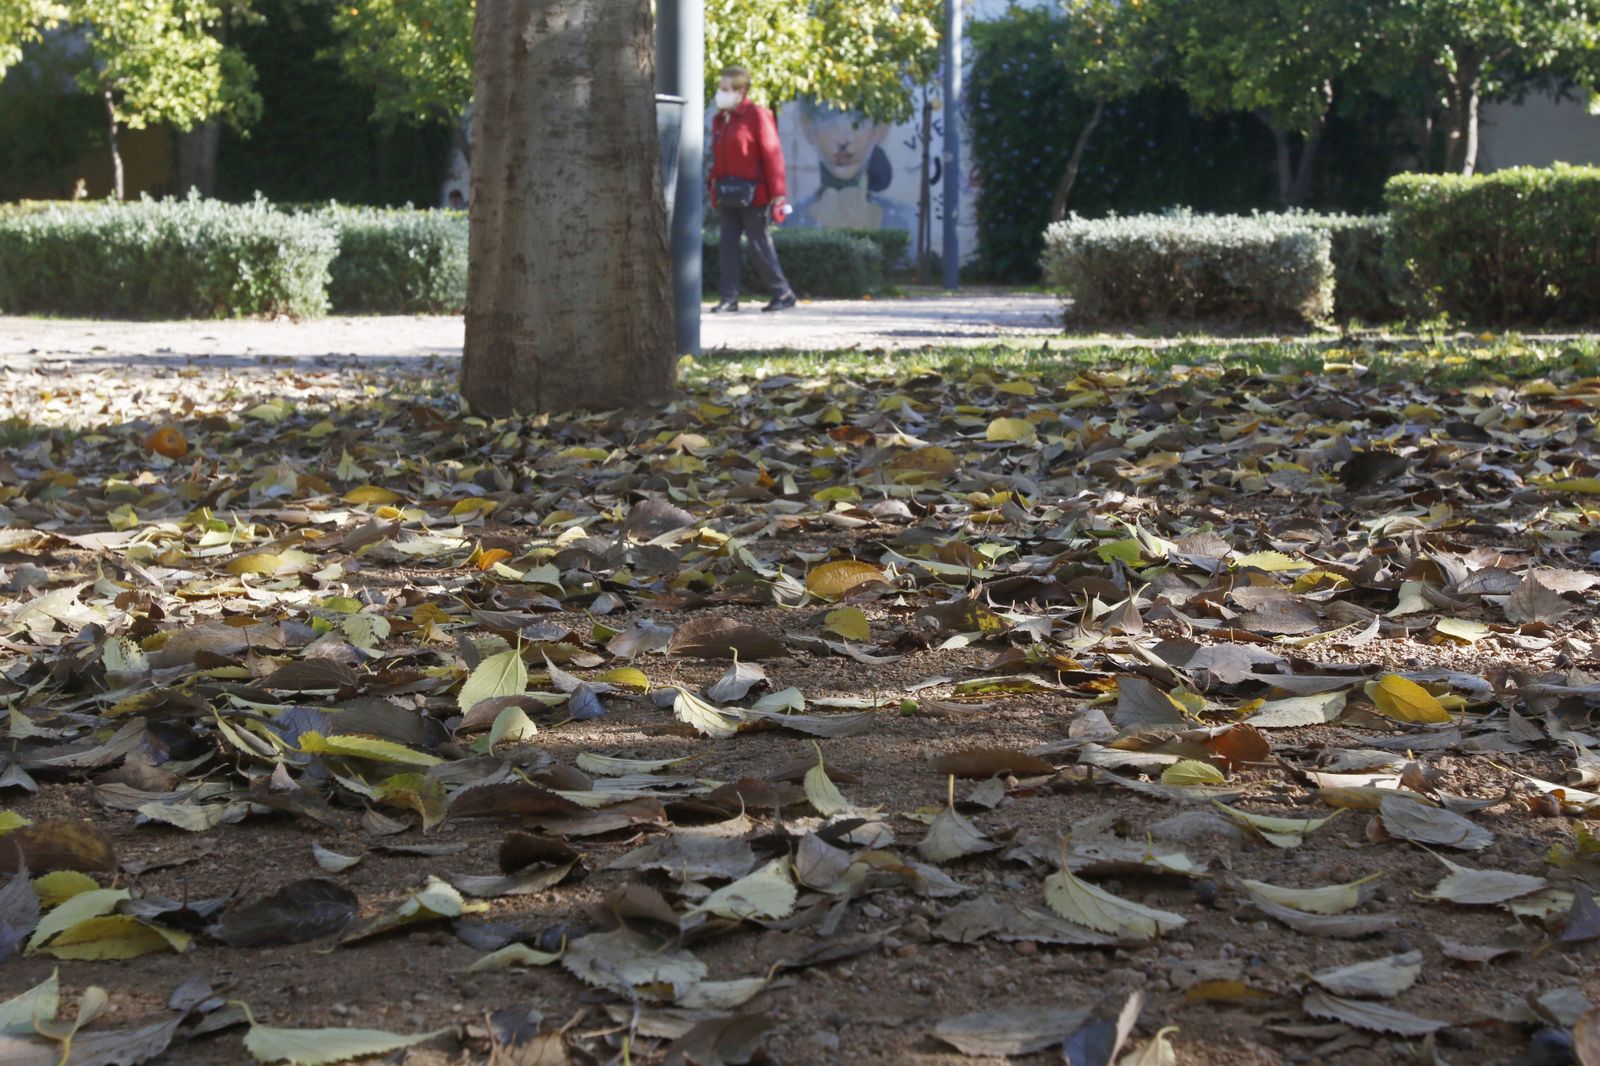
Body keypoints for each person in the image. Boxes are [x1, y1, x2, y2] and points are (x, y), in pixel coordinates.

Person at [708, 65, 797, 313]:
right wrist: (712, 184)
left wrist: (778, 194)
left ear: (741, 91)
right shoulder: (721, 119)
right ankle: (729, 298)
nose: (721, 93)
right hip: (727, 192)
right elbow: (717, 156)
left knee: (759, 246)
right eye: (720, 88)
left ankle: (783, 293)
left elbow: (772, 154)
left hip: (754, 194)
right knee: (727, 247)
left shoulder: (757, 115)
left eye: (726, 89)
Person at [791, 100, 917, 234]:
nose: (843, 139)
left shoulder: (908, 223)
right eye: (827, 118)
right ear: (807, 127)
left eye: (859, 119)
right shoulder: (789, 223)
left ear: (880, 128)